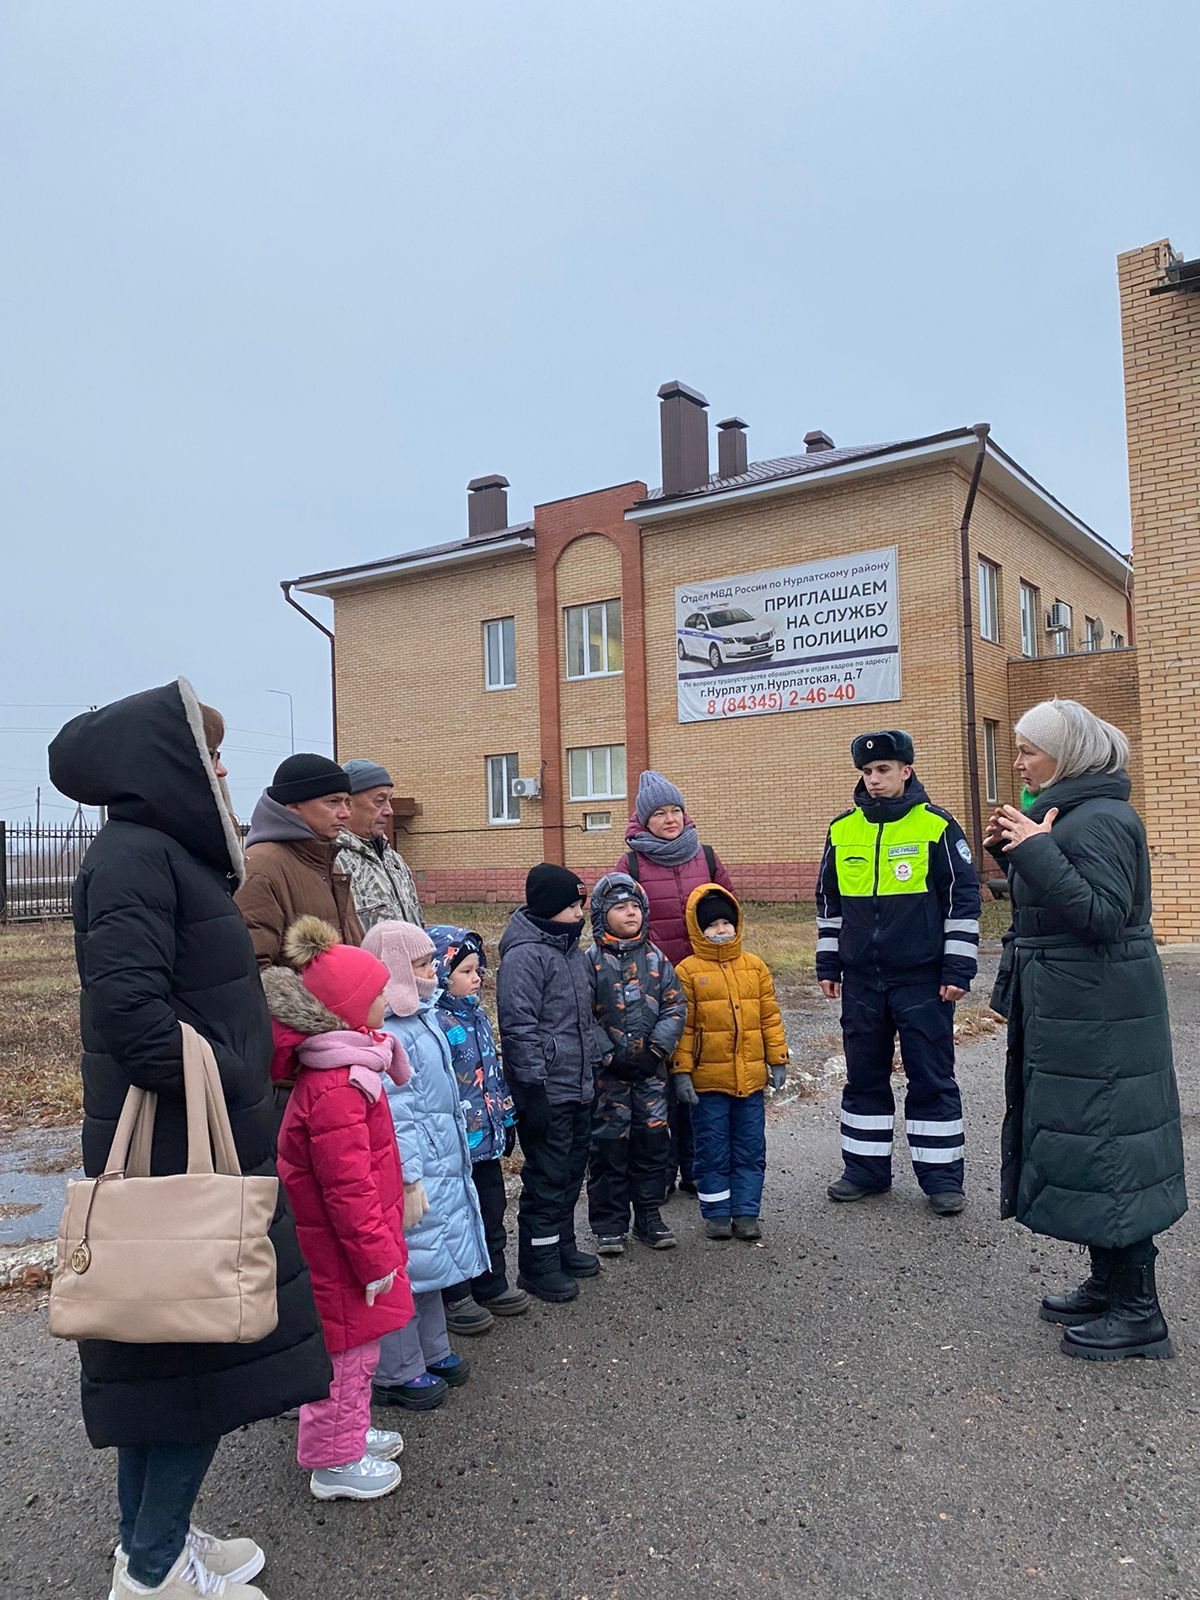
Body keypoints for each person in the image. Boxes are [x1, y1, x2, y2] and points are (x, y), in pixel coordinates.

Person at [48, 681, 330, 1600]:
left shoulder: (161, 853)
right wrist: (229, 1071)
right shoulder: (136, 859)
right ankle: (158, 1568)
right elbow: (133, 1016)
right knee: (193, 1363)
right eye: (206, 754)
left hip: (197, 1143)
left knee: (161, 1370)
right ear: (162, 764)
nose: (220, 769)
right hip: (181, 1152)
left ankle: (149, 1544)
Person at [989, 699, 1186, 1361]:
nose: (1018, 762)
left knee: (1111, 1149)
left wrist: (1039, 853)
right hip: (1079, 1011)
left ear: (1066, 755)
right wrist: (1016, 855)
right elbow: (1059, 902)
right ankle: (1108, 1287)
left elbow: (1102, 916)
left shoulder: (1101, 818)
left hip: (1101, 1016)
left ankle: (1139, 1314)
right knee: (1092, 1147)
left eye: (1028, 751)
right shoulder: (1072, 811)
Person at [264, 917, 412, 1501]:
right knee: (346, 1352)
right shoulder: (336, 1090)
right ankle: (334, 1462)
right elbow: (346, 1188)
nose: (386, 1002)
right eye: (377, 995)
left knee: (359, 1351)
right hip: (342, 1251)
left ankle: (350, 1432)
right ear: (349, 1010)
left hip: (346, 1245)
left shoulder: (351, 1069)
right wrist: (377, 1257)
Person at [815, 731, 979, 1217]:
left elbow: (962, 900)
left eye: (884, 770)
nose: (874, 779)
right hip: (862, 979)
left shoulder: (937, 826)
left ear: (906, 771)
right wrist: (828, 962)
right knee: (864, 1076)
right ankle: (865, 1171)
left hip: (923, 978)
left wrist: (959, 967)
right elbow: (829, 903)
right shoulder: (843, 829)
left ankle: (943, 1179)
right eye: (867, 772)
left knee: (931, 1078)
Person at [363, 919, 491, 1409]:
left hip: (441, 1158)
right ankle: (397, 1369)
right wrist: (409, 1177)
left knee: (432, 1262)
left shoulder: (423, 1016)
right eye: (419, 965)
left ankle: (433, 1349)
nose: (432, 971)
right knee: (409, 1268)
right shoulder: (392, 1030)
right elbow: (399, 1115)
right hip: (416, 1171)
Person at [619, 771, 736, 1199]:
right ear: (643, 820)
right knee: (661, 1080)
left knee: (700, 1076)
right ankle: (660, 1172)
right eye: (660, 813)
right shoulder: (631, 864)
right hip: (656, 990)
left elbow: (729, 911)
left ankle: (698, 1167)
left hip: (706, 981)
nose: (670, 819)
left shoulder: (704, 856)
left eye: (675, 810)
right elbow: (617, 919)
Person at [497, 864, 602, 1303]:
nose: (581, 914)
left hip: (579, 1085)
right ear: (548, 908)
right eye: (573, 906)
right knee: (547, 1177)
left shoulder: (571, 951)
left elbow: (583, 1018)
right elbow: (519, 1028)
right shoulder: (525, 956)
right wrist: (532, 1090)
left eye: (582, 905)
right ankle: (537, 1267)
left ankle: (562, 1246)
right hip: (547, 1091)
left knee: (572, 1171)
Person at [673, 886, 788, 1241]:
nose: (721, 930)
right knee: (712, 1148)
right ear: (697, 929)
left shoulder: (754, 967)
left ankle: (747, 1211)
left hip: (750, 1080)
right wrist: (681, 1072)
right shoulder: (688, 971)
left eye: (727, 922)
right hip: (709, 1084)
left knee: (751, 1148)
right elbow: (684, 1028)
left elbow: (769, 1018)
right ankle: (717, 1212)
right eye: (713, 925)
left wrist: (777, 1058)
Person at [429, 925, 530, 1323]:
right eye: (467, 971)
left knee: (492, 1209)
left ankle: (492, 1282)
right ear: (441, 973)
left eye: (478, 970)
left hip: (485, 1142)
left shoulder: (477, 1018)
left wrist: (505, 1119)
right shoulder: (436, 1023)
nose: (477, 979)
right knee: (455, 1219)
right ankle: (456, 1293)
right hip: (455, 1148)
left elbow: (492, 1075)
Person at [585, 873, 687, 1254]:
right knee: (609, 1151)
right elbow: (582, 1015)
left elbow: (676, 1005)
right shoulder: (591, 963)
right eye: (619, 907)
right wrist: (608, 1055)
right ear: (601, 914)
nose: (630, 913)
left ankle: (649, 1215)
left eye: (635, 907)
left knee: (652, 1146)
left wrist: (656, 1052)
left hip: (650, 1076)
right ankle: (610, 1224)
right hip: (608, 1081)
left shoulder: (656, 960)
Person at [235, 754, 362, 970]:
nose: (346, 813)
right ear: (293, 806)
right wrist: (309, 1003)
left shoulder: (327, 862)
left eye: (346, 802)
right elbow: (252, 968)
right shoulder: (261, 867)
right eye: (333, 802)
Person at [335, 758, 423, 930]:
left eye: (389, 799)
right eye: (379, 800)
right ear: (348, 804)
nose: (389, 810)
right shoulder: (334, 863)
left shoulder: (394, 860)